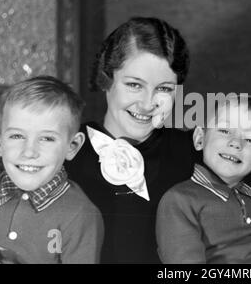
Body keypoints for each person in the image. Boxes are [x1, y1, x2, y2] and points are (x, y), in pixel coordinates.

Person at [65, 16, 200, 263]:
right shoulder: (63, 149)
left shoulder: (192, 152)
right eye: (134, 85)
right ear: (106, 79)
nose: (148, 103)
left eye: (164, 89)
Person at [0, 76, 104, 264]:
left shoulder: (82, 215)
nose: (29, 152)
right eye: (16, 135)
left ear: (72, 146)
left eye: (47, 139)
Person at [156, 95, 251, 263]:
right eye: (225, 131)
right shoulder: (181, 199)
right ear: (200, 139)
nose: (236, 143)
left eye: (249, 139)